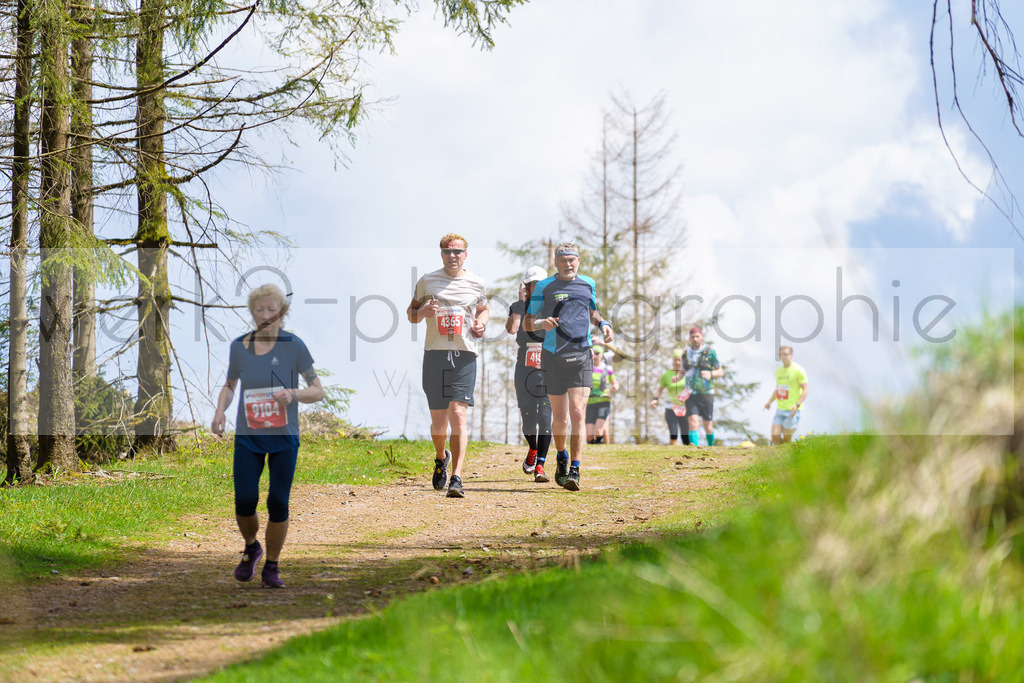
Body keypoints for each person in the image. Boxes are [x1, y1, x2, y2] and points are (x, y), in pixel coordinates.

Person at [211, 283, 325, 589]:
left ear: (281, 312)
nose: (265, 315)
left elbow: (318, 390)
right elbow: (230, 384)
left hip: (283, 437)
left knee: (278, 502)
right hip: (249, 435)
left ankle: (272, 566)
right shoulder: (239, 346)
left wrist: (294, 394)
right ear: (252, 313)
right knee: (245, 500)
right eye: (259, 310)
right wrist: (220, 411)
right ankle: (252, 546)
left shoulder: (294, 346)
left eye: (271, 309)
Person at [524, 242, 613, 491]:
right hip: (553, 356)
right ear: (556, 263)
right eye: (563, 260)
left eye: (572, 259)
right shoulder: (544, 286)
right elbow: (527, 323)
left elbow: (592, 312)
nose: (568, 264)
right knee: (561, 419)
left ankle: (575, 468)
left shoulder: (588, 283)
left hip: (581, 355)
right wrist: (543, 322)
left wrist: (603, 323)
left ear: (579, 261)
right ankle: (561, 455)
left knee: (577, 413)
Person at [406, 233, 488, 498]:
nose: (453, 256)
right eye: (447, 251)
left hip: (464, 354)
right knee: (439, 424)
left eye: (458, 252)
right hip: (435, 355)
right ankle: (441, 458)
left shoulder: (476, 283)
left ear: (466, 254)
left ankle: (457, 477)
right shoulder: (427, 281)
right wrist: (422, 314)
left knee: (459, 414)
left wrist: (481, 323)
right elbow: (410, 314)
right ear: (441, 254)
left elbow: (484, 309)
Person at [506, 266, 553, 482]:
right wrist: (520, 304)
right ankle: (533, 448)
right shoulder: (518, 306)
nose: (536, 288)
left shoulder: (553, 307)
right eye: (532, 285)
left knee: (545, 418)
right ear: (526, 287)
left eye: (539, 285)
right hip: (524, 369)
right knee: (528, 419)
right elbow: (513, 328)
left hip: (547, 368)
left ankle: (541, 465)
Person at [681, 326, 725, 447]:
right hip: (690, 393)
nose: (695, 339)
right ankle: (694, 448)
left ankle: (710, 446)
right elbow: (682, 372)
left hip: (706, 393)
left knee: (707, 425)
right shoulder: (685, 354)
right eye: (692, 337)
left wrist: (710, 373)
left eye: (697, 336)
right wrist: (677, 378)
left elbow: (720, 371)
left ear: (702, 337)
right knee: (693, 421)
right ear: (689, 338)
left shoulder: (710, 352)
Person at [763, 345, 808, 444]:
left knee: (787, 439)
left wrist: (797, 405)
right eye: (782, 354)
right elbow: (778, 388)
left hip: (792, 410)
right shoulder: (778, 371)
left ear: (791, 355)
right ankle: (783, 455)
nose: (784, 357)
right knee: (775, 436)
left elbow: (805, 390)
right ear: (779, 356)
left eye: (786, 354)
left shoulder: (798, 370)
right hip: (780, 409)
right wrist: (769, 401)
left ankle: (789, 454)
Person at [650, 349, 690, 445]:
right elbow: (660, 389)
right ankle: (673, 455)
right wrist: (655, 399)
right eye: (675, 360)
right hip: (670, 407)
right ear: (672, 361)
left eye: (679, 360)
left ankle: (687, 456)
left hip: (685, 408)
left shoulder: (687, 374)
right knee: (673, 433)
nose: (677, 362)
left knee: (685, 435)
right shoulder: (667, 375)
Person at [586, 345, 618, 444]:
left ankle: (598, 450)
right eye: (593, 353)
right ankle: (593, 448)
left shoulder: (607, 368)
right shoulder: (587, 368)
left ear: (602, 355)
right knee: (589, 436)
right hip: (590, 402)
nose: (595, 356)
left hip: (603, 401)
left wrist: (615, 386)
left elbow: (615, 382)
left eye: (597, 353)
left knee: (599, 431)